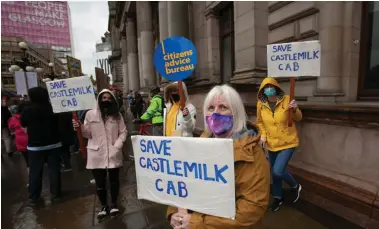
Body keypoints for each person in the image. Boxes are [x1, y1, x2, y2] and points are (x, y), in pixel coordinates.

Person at [167, 84, 270, 229]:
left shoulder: (252, 153)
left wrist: (195, 223)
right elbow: (181, 181)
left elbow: (251, 210)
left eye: (223, 107)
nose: (216, 113)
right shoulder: (200, 144)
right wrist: (174, 213)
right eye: (210, 108)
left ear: (236, 112)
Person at [72, 89, 127, 220]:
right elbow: (87, 134)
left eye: (108, 98)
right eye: (103, 98)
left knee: (114, 181)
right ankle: (103, 206)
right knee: (100, 183)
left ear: (113, 100)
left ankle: (113, 204)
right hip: (96, 153)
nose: (106, 100)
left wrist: (117, 146)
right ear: (99, 100)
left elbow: (123, 132)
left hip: (113, 153)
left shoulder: (117, 116)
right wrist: (79, 127)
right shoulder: (90, 114)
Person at [256, 77, 302, 212]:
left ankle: (295, 186)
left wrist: (295, 109)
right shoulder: (260, 104)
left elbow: (299, 118)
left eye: (271, 87)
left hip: (288, 142)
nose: (269, 90)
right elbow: (260, 122)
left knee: (277, 171)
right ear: (263, 91)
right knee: (274, 174)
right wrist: (263, 136)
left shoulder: (287, 99)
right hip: (271, 144)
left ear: (276, 87)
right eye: (266, 88)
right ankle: (278, 197)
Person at [20, 87, 62, 205]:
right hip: (54, 143)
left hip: (35, 146)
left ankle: (34, 196)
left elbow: (23, 122)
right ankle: (56, 193)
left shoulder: (28, 109)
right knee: (54, 170)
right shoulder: (52, 108)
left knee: (35, 171)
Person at [8, 103, 29, 172]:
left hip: (20, 141)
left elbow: (10, 127)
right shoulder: (28, 116)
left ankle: (31, 177)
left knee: (27, 161)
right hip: (31, 139)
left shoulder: (12, 119)